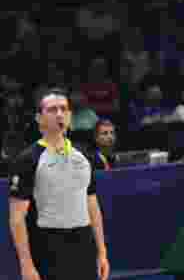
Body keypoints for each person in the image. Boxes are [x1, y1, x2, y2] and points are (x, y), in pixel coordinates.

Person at [8, 89, 110, 280]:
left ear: (70, 116)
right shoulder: (27, 159)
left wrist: (102, 252)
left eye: (64, 109)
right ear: (39, 118)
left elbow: (92, 205)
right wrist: (26, 265)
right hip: (48, 247)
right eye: (52, 110)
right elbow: (16, 219)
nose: (60, 114)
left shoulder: (84, 156)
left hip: (83, 246)